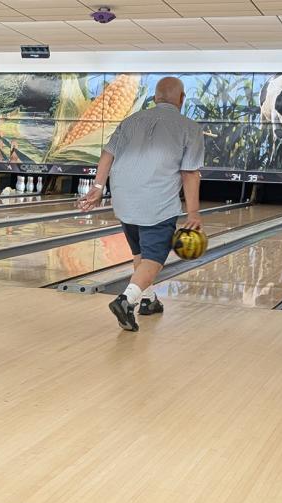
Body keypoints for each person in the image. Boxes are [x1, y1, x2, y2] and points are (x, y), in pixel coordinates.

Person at [79, 76, 204, 332]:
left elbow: (107, 154)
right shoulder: (190, 127)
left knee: (140, 254)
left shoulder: (130, 120)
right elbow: (189, 173)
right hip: (156, 203)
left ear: (155, 97)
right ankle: (126, 301)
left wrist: (98, 187)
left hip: (123, 199)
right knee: (154, 259)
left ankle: (148, 300)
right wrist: (193, 213)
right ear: (181, 99)